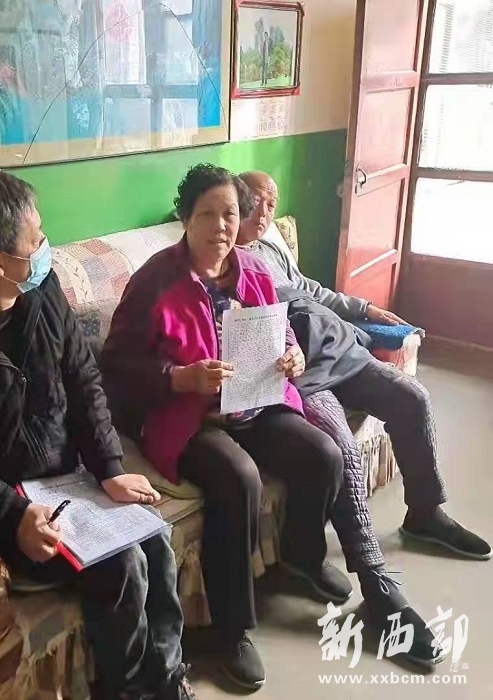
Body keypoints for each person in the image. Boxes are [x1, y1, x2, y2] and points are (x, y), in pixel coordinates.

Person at [0, 169, 193, 700]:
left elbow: (83, 377)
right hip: (5, 505)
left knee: (154, 538)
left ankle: (166, 681)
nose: (47, 249)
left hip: (69, 482)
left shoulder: (40, 291)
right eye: (36, 240)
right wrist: (13, 515)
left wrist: (109, 468)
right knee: (124, 566)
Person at [101, 164, 355, 691]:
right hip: (187, 417)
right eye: (207, 214)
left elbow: (282, 332)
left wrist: (293, 356)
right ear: (185, 218)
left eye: (230, 214)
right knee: (239, 478)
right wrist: (180, 378)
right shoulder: (155, 281)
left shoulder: (254, 271)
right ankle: (229, 631)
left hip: (256, 401)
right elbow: (117, 364)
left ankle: (302, 557)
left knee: (324, 454)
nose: (221, 226)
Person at [235, 170, 491, 647]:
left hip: (341, 347)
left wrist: (366, 310)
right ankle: (377, 585)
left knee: (412, 398)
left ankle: (425, 511)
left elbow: (311, 289)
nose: (263, 212)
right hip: (300, 371)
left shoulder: (270, 246)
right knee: (344, 451)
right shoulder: (223, 266)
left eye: (270, 202)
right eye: (252, 202)